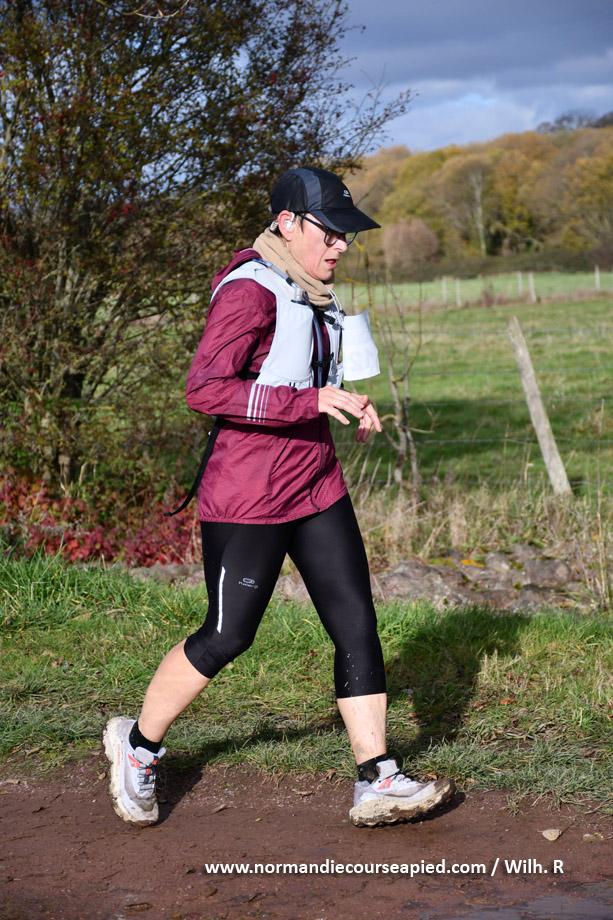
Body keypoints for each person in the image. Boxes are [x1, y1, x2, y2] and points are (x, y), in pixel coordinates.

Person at [103, 166, 454, 828]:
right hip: (248, 495)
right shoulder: (249, 291)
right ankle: (138, 746)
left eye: (348, 236)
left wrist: (347, 400)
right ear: (288, 223)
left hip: (315, 484)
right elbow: (204, 388)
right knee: (227, 635)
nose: (342, 245)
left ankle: (377, 777)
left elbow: (304, 378)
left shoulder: (312, 291)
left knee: (355, 623)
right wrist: (308, 402)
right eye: (332, 232)